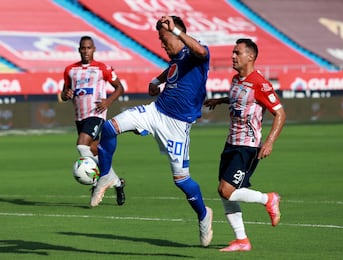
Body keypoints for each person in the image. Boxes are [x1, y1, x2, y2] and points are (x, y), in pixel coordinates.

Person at [91, 16, 213, 247]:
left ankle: (204, 215)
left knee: (181, 180)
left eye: (164, 38)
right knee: (108, 127)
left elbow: (201, 52)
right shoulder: (178, 59)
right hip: (155, 112)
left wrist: (175, 31)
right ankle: (106, 176)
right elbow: (173, 70)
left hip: (177, 126)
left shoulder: (197, 52)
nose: (162, 44)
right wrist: (157, 80)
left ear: (177, 34)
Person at [204, 38, 286, 252]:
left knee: (227, 190)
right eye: (233, 52)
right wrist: (220, 101)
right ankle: (241, 240)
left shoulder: (261, 84)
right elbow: (238, 100)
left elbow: (280, 113)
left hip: (248, 146)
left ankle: (268, 198)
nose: (233, 56)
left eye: (237, 53)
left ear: (251, 56)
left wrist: (269, 142)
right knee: (224, 192)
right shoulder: (236, 80)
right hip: (230, 142)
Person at [60, 35, 126, 206]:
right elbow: (64, 92)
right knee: (95, 153)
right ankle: (117, 182)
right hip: (80, 117)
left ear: (94, 49)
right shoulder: (70, 70)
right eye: (83, 48)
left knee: (82, 145)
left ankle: (99, 182)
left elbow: (120, 87)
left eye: (89, 48)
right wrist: (65, 95)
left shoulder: (102, 68)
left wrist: (108, 102)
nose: (86, 51)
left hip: (96, 114)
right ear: (79, 49)